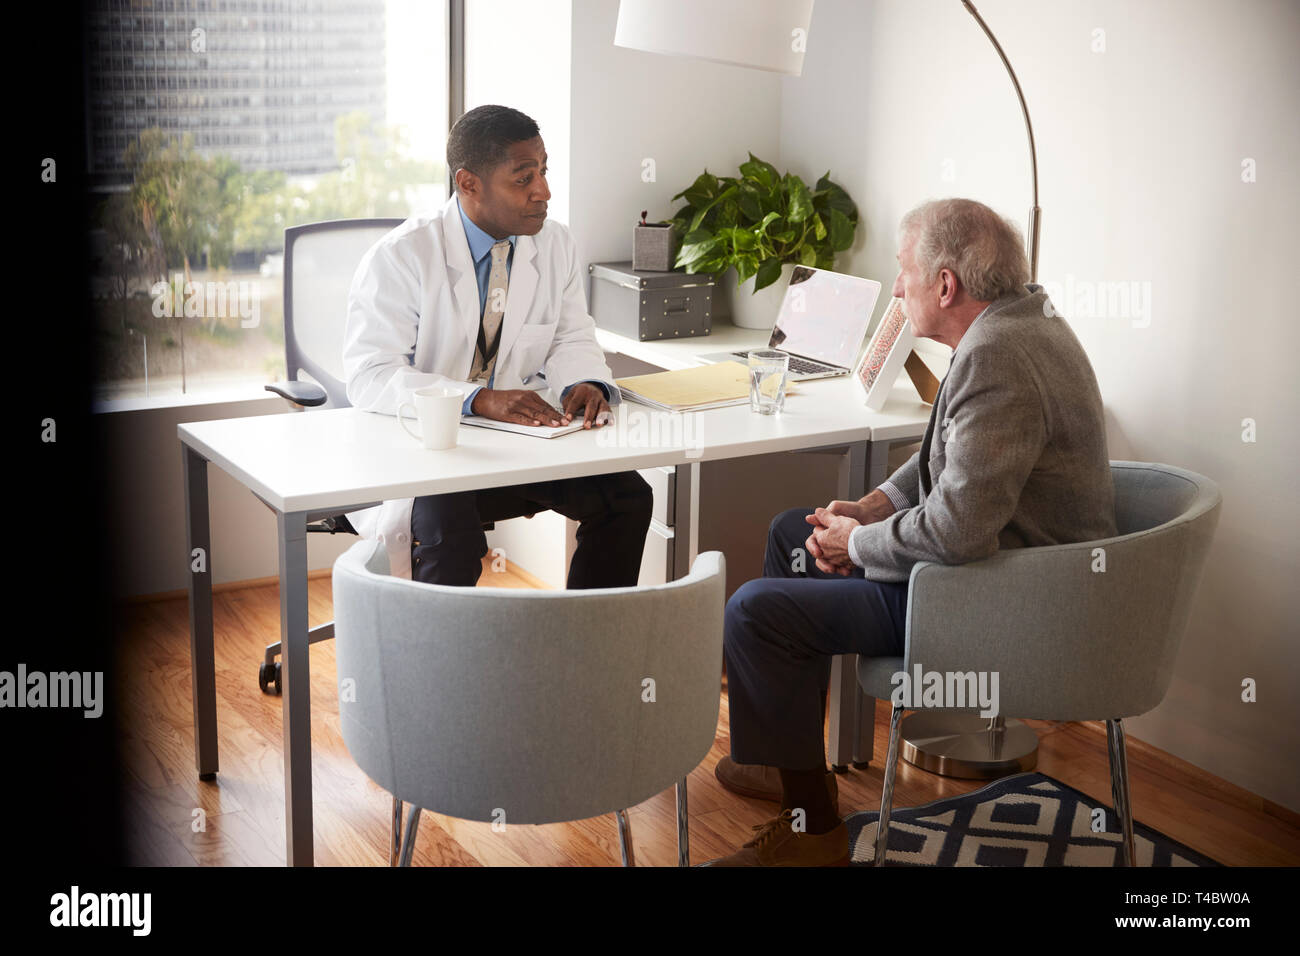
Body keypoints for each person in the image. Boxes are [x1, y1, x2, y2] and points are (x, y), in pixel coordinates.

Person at [709, 198, 1119, 866]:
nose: (896, 288)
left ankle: (813, 831)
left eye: (903, 272)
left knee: (756, 612)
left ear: (945, 284)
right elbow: (944, 458)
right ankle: (780, 764)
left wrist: (856, 543)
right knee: (794, 532)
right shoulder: (1015, 324)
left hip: (1001, 598)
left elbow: (957, 532)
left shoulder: (998, 359)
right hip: (995, 565)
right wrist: (871, 507)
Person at [342, 105, 653, 588]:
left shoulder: (554, 245)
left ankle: (589, 652)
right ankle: (446, 664)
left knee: (627, 496)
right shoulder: (402, 256)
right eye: (523, 178)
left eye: (544, 171)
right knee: (450, 532)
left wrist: (586, 382)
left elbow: (570, 335)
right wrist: (478, 399)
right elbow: (370, 375)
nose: (543, 191)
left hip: (516, 449)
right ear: (468, 184)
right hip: (431, 456)